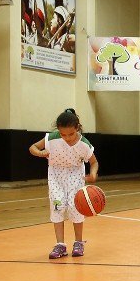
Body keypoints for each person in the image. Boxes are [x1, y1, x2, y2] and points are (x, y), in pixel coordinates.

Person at [28, 109, 99, 259]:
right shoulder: (52, 138)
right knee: (57, 206)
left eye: (70, 134)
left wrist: (93, 174)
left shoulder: (84, 144)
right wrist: (40, 153)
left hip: (75, 175)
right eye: (63, 134)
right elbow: (32, 147)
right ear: (58, 130)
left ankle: (78, 242)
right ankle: (60, 245)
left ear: (77, 128)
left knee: (76, 207)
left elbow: (94, 162)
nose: (67, 138)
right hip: (55, 176)